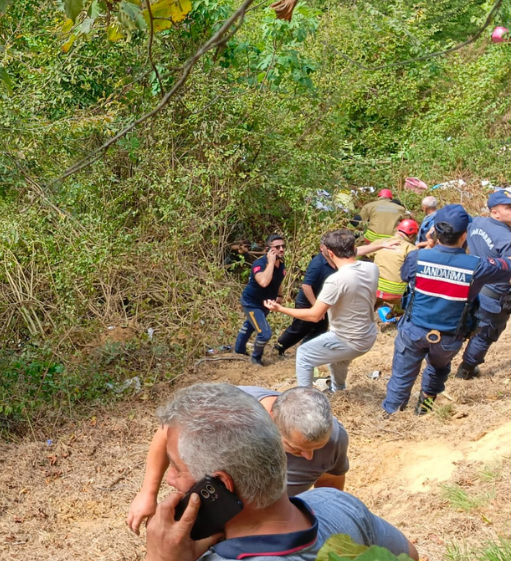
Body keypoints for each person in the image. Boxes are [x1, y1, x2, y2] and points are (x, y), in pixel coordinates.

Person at [140, 383, 417, 561]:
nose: (170, 479)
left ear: (221, 484)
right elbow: (410, 556)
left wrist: (160, 558)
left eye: (176, 467)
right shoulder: (342, 505)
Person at [381, 205, 511, 415]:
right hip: (448, 338)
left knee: (401, 376)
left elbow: (406, 277)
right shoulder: (477, 266)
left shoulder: (416, 258)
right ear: (464, 235)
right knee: (438, 370)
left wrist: (430, 249)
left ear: (435, 233)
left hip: (413, 331)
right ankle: (424, 410)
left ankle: (391, 413)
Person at [127, 385, 350, 534]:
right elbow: (168, 429)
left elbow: (329, 488)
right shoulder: (229, 411)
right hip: (218, 515)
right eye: (297, 449)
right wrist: (148, 493)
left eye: (317, 448)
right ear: (271, 423)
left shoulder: (335, 439)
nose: (310, 457)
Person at [265, 230, 379, 393]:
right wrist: (380, 245)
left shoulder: (336, 280)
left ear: (330, 253)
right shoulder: (371, 268)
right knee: (337, 360)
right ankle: (338, 389)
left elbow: (314, 315)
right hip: (368, 335)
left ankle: (306, 399)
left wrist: (280, 308)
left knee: (304, 354)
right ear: (353, 248)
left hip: (349, 340)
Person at [274, 237, 401, 357]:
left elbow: (358, 250)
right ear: (322, 248)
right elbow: (306, 286)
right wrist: (315, 304)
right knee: (299, 328)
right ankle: (280, 347)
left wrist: (382, 246)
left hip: (325, 300)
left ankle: (305, 349)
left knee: (321, 329)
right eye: (327, 247)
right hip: (308, 301)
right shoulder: (317, 264)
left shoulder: (339, 258)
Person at [457, 190, 511, 379]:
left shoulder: (477, 222)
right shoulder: (508, 240)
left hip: (474, 287)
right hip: (494, 295)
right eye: (509, 207)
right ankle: (466, 370)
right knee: (485, 333)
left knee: (469, 325)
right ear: (495, 212)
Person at [233, 235, 285, 366]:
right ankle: (256, 358)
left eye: (283, 246)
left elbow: (279, 280)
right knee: (264, 333)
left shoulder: (281, 264)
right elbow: (263, 281)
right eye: (277, 247)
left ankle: (239, 350)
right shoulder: (260, 264)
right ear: (268, 249)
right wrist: (271, 263)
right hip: (251, 303)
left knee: (250, 324)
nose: (282, 249)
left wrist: (280, 295)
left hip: (265, 303)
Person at [370, 219, 419, 312]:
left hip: (375, 290)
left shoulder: (379, 242)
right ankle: (398, 311)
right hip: (397, 294)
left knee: (368, 309)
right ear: (412, 235)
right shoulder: (411, 249)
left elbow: (365, 255)